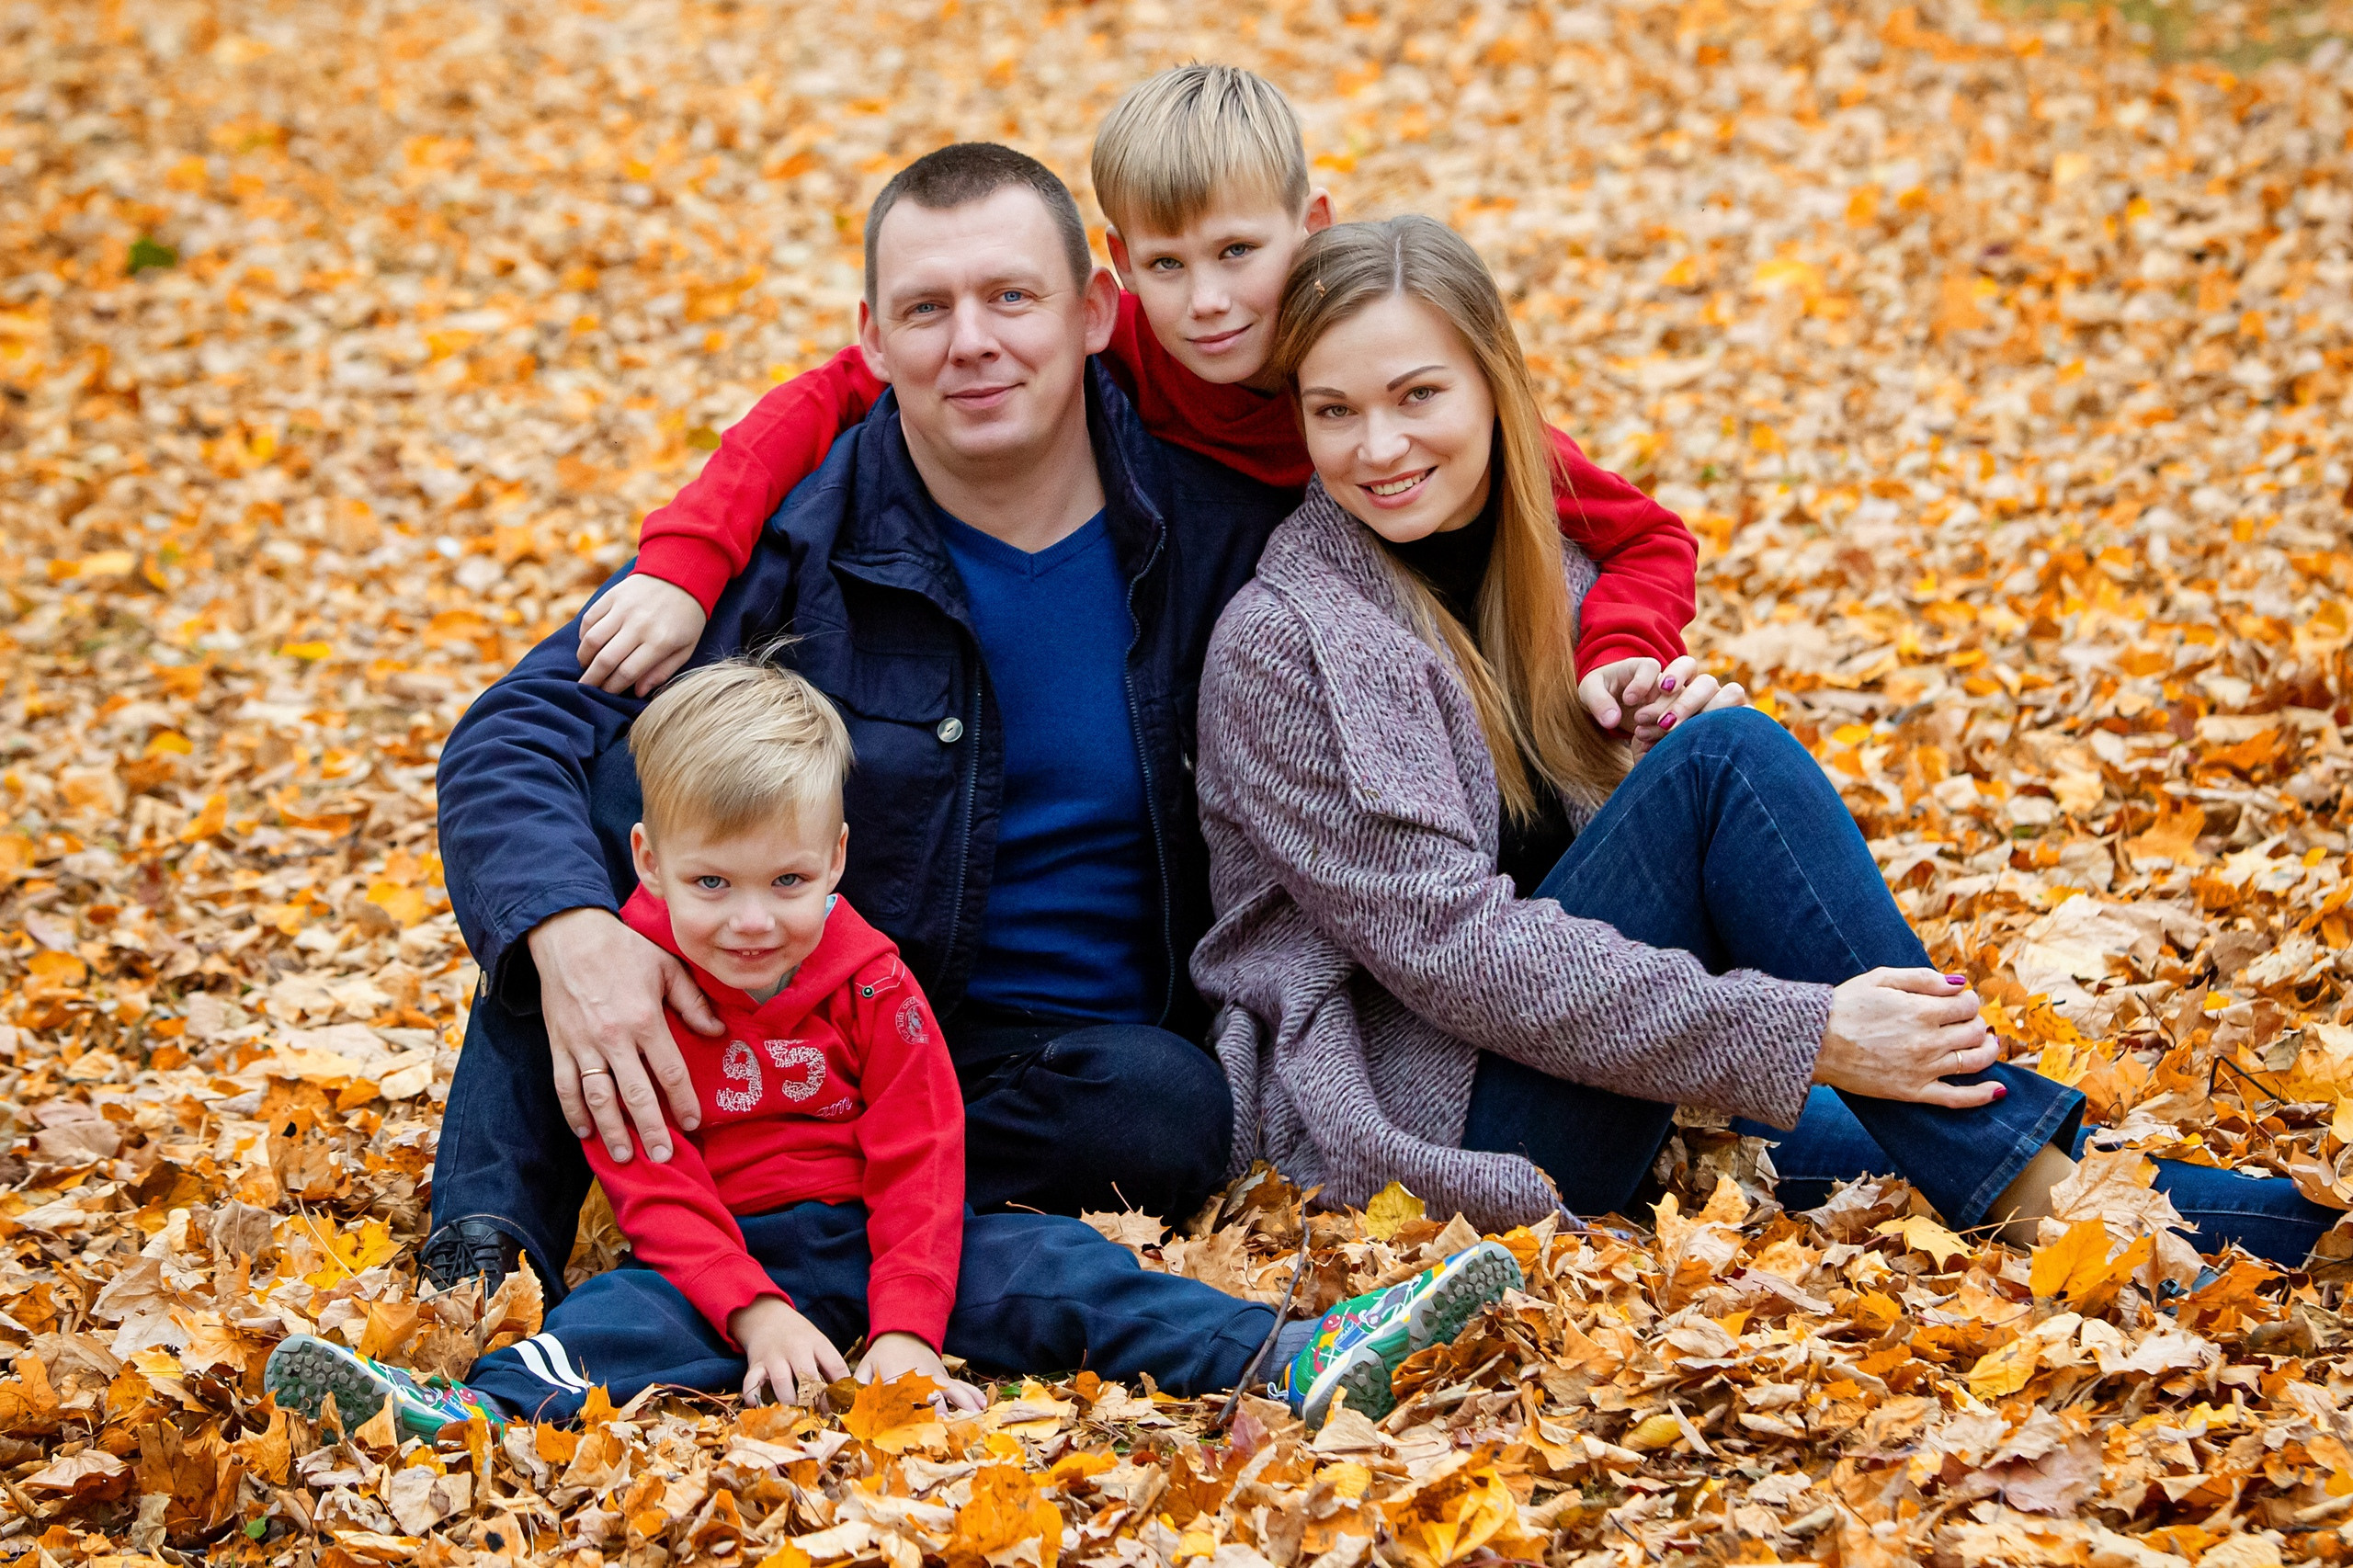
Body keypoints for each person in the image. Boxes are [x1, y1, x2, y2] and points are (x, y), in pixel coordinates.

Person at [1190, 215, 2336, 1265]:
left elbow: (1565, 856)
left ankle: (2304, 1235)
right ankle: (2065, 1214)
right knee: (1729, 767)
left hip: (1600, 1079)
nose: (1376, 445)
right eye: (1333, 410)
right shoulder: (1286, 642)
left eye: (1416, 396)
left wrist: (1634, 757)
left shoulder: (1549, 572)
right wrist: (1811, 1031)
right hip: (1423, 1133)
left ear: (1496, 388)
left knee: (1955, 1148)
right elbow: (1456, 950)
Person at [426, 143, 1294, 1302]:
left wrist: (1617, 650)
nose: (970, 341)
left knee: (1166, 1105)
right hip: (782, 1007)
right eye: (925, 309)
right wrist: (572, 936)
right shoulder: (795, 539)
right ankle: (486, 1256)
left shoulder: (1224, 540)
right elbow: (511, 733)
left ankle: (795, 1212)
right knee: (590, 827)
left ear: (1094, 311)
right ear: (873, 342)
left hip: (1031, 1071)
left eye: (1011, 297)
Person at [271, 664, 1527, 1432]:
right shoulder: (633, 989)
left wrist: (910, 1326)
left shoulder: (869, 978)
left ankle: (1295, 1353)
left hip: (886, 1239)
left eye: (788, 879)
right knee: (608, 1329)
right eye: (710, 882)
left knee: (1064, 1273)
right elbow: (652, 1179)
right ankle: (456, 1411)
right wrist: (754, 1311)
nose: (752, 919)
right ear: (648, 863)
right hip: (715, 1260)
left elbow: (925, 1156)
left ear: (837, 862)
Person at [572, 65, 1700, 753]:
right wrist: (681, 562)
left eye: (1238, 253)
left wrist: (1618, 644)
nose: (1206, 303)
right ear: (1115, 269)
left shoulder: (1380, 378)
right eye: (1165, 265)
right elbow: (824, 398)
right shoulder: (1108, 357)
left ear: (1311, 221)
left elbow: (1642, 532)